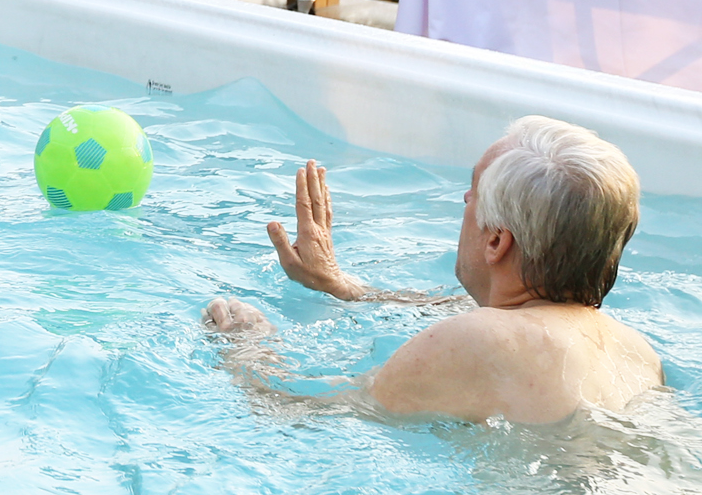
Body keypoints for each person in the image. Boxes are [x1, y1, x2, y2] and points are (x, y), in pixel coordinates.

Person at [204, 115, 663, 424]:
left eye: (473, 192)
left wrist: (249, 347)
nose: (464, 203)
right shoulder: (638, 353)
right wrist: (345, 288)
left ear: (497, 241)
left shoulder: (478, 339)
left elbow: (298, 409)